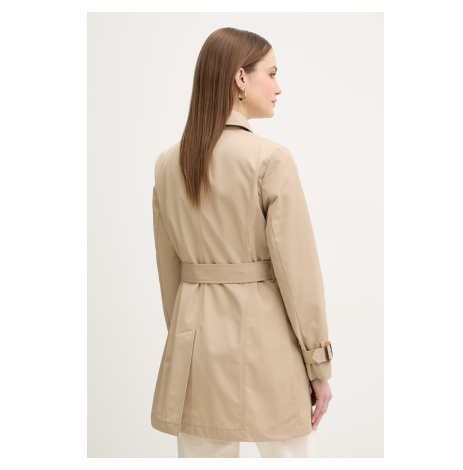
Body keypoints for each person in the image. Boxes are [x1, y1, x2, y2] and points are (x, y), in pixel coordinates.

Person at [150, 27, 334, 458]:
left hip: (195, 349)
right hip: (269, 348)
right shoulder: (270, 159)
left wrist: (185, 340)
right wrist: (318, 364)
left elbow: (169, 273)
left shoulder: (166, 165)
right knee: (289, 460)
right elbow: (299, 273)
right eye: (271, 73)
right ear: (240, 78)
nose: (278, 87)